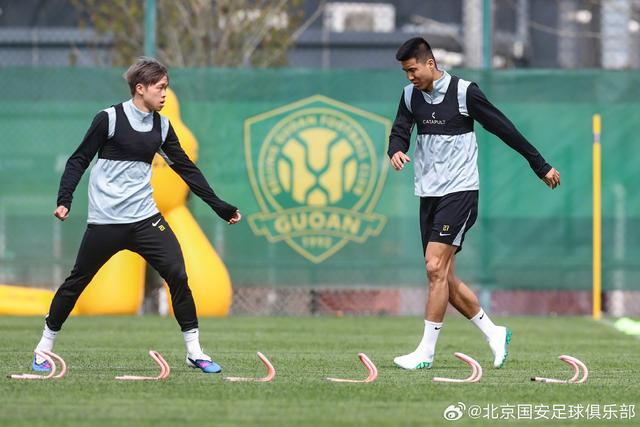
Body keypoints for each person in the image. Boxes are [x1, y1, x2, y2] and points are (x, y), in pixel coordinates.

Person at [31, 57, 241, 374]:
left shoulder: (162, 127)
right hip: (106, 222)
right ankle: (43, 349)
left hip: (146, 220)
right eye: (160, 87)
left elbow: (187, 170)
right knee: (77, 282)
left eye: (167, 87)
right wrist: (65, 199)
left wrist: (220, 206)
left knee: (178, 274)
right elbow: (78, 160)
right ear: (140, 89)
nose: (165, 93)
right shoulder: (109, 119)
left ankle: (195, 352)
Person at [388, 38, 560, 370]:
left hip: (460, 191)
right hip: (429, 194)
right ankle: (494, 332)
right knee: (443, 276)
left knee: (434, 267)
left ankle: (425, 353)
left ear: (430, 64)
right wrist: (395, 149)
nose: (409, 77)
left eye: (412, 70)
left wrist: (540, 165)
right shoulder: (410, 96)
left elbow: (505, 129)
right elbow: (400, 130)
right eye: (405, 72)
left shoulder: (464, 92)